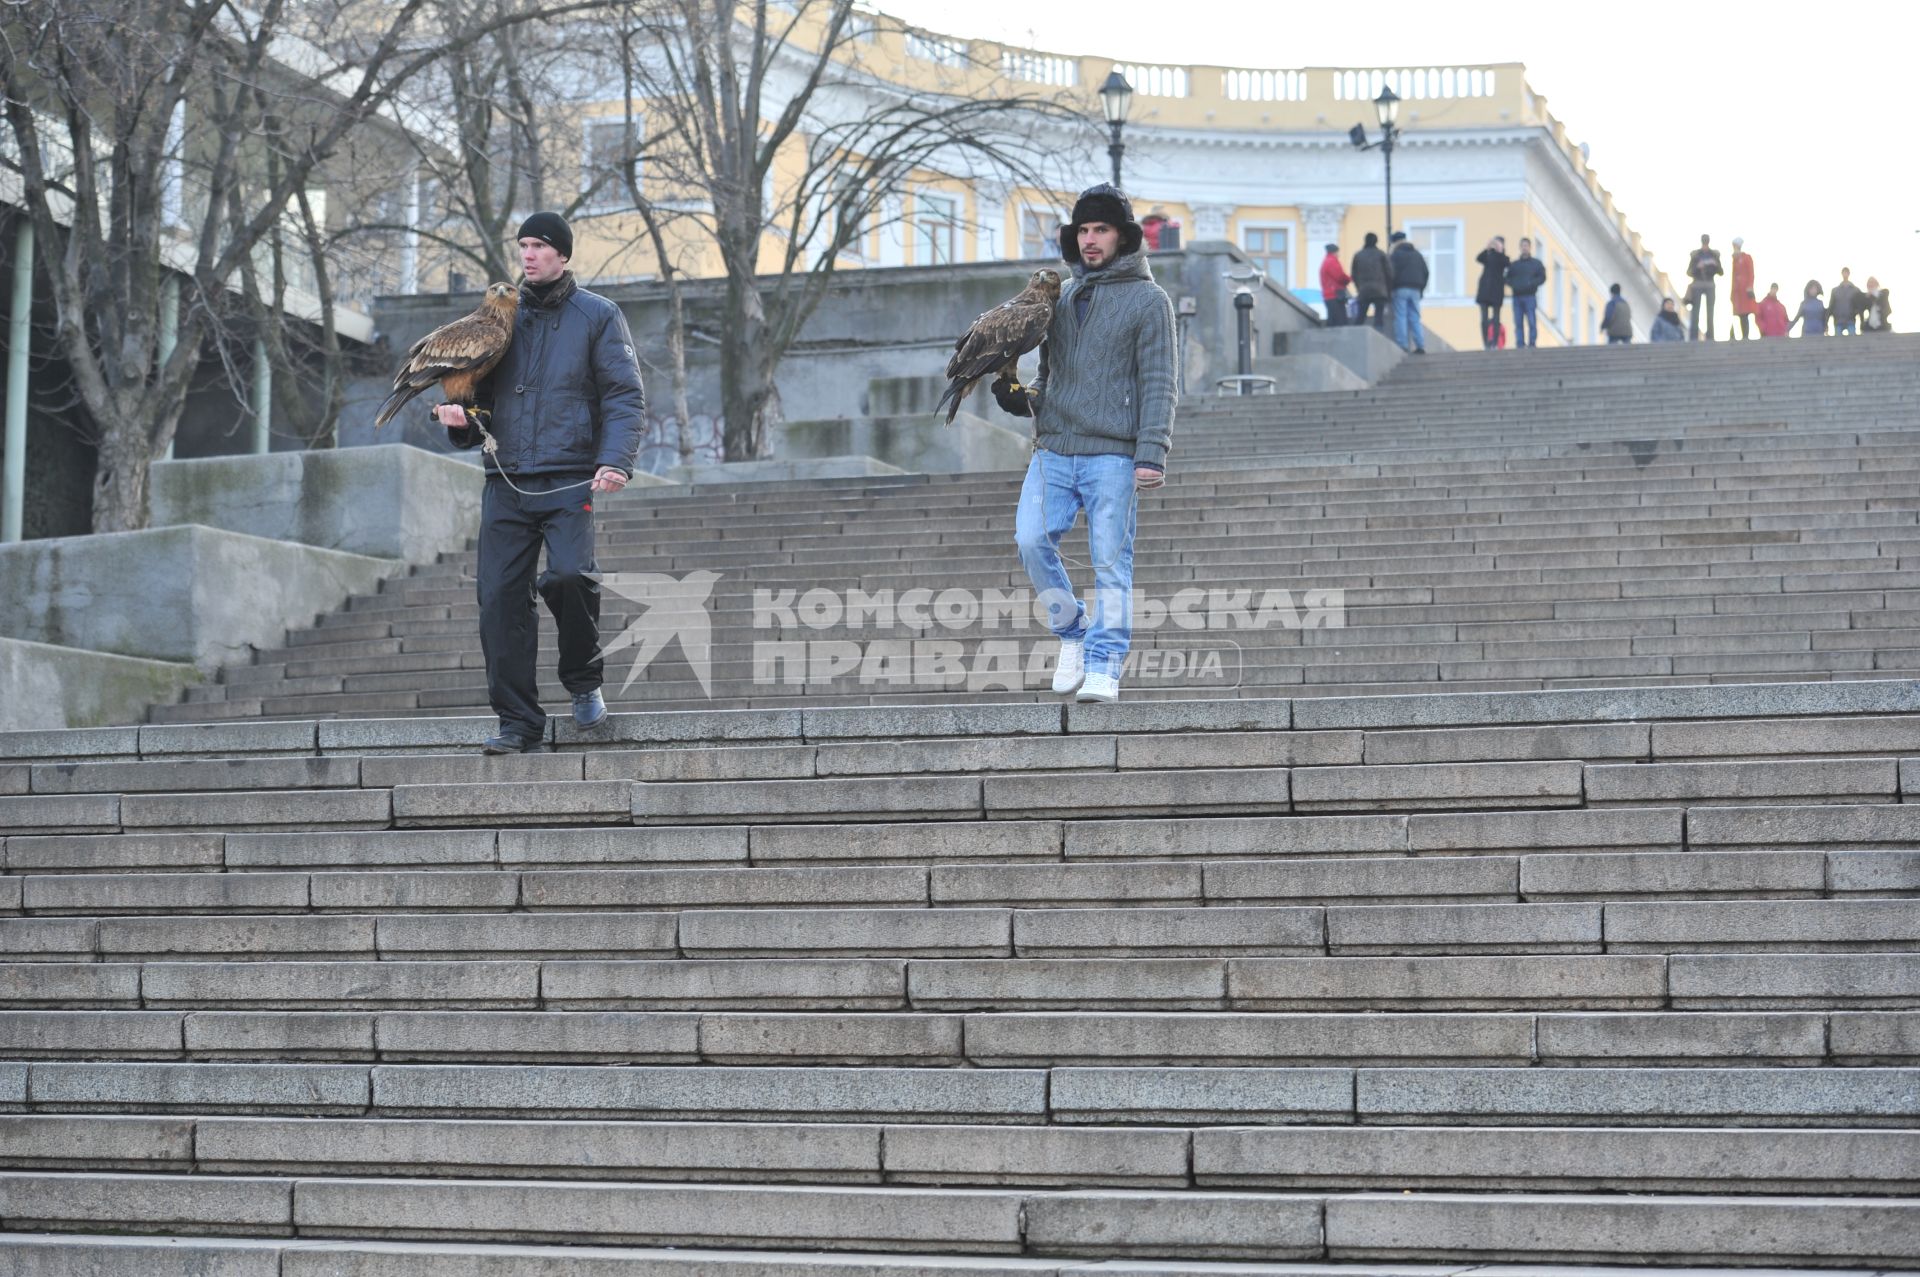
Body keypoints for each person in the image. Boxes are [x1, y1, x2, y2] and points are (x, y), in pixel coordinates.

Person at [439, 211, 646, 753]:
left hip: (569, 477)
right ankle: (518, 723)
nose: (528, 254)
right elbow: (470, 394)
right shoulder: (498, 319)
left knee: (569, 577)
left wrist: (615, 460)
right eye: (523, 244)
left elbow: (624, 395)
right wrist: (460, 420)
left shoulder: (598, 315)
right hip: (505, 479)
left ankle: (583, 681)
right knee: (499, 600)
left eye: (540, 245)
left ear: (564, 255)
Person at [995, 183, 1175, 706]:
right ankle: (1073, 632)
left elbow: (1160, 381)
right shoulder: (1061, 296)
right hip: (1054, 447)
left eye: (1101, 229)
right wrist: (1024, 399)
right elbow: (1050, 374)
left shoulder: (1150, 301)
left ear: (1123, 236)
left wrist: (1152, 452)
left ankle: (1104, 666)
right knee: (1030, 540)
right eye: (1084, 230)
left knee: (1110, 564)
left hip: (1115, 455)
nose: (1090, 239)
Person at [1387, 230, 1428, 354]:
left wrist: (1390, 288)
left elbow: (1390, 273)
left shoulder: (1395, 255)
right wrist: (1421, 288)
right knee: (1415, 317)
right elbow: (1426, 272)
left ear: (1394, 242)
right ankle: (1420, 345)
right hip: (1416, 289)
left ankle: (1403, 345)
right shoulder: (1417, 254)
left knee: (1401, 316)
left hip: (1400, 288)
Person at [1505, 238, 1546, 348]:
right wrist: (1514, 284)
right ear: (1520, 247)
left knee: (1531, 321)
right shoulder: (1514, 265)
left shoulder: (1536, 264)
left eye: (1526, 245)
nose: (1524, 248)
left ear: (1529, 247)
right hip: (1517, 297)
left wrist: (1532, 283)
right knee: (1518, 322)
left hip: (1530, 296)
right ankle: (1520, 343)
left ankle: (1532, 343)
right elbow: (1506, 278)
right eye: (1523, 246)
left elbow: (1542, 277)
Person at [1350, 232, 1392, 331]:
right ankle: (1378, 335)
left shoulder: (1358, 255)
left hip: (1364, 290)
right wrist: (1388, 290)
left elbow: (1353, 274)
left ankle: (1356, 333)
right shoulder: (1381, 254)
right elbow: (1389, 273)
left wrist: (1358, 287)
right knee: (1379, 316)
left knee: (1361, 315)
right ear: (1376, 241)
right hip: (1380, 290)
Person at [1685, 234, 1724, 340]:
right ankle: (1693, 337)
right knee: (1695, 311)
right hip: (1697, 284)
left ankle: (1710, 336)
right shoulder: (1696, 255)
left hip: (1710, 285)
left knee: (1710, 312)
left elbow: (1721, 272)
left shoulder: (1714, 255)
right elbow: (1689, 272)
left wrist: (1715, 264)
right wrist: (1698, 267)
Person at [1474, 235, 1509, 348]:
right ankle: (1486, 342)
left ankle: (1494, 342)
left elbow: (1506, 264)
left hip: (1497, 291)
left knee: (1496, 317)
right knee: (1484, 318)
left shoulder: (1503, 258)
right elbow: (1479, 258)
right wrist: (1487, 248)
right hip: (1485, 290)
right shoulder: (1488, 255)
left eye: (1499, 243)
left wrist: (1500, 251)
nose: (1496, 245)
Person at [1318, 242, 1352, 327]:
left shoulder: (1325, 261)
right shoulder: (1332, 261)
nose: (1338, 255)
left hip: (1329, 295)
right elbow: (1340, 276)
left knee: (1332, 320)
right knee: (1340, 321)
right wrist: (1349, 279)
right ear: (1334, 252)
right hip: (1335, 295)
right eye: (1337, 252)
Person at [1730, 237, 1757, 340]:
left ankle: (1746, 335)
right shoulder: (1734, 259)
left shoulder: (1746, 257)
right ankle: (1740, 335)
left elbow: (1751, 272)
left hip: (1745, 290)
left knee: (1745, 313)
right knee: (1740, 314)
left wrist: (1750, 286)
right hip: (1737, 292)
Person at [1830, 268, 1864, 336]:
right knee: (1837, 342)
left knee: (1853, 341)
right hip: (1838, 320)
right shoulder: (1835, 290)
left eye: (1846, 272)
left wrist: (1861, 323)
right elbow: (1831, 306)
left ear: (1849, 274)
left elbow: (1860, 306)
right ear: (1842, 274)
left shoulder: (1856, 290)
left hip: (1851, 319)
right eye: (1844, 272)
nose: (1845, 274)